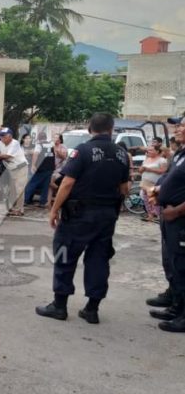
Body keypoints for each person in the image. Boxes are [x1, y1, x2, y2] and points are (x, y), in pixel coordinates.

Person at [36, 113, 130, 324]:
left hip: (79, 215)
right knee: (99, 259)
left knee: (65, 255)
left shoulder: (83, 151)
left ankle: (59, 306)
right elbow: (125, 187)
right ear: (111, 129)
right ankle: (92, 309)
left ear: (90, 129)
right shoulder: (122, 154)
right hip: (107, 216)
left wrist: (54, 210)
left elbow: (67, 183)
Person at [147, 115, 185, 332]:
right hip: (170, 214)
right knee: (172, 262)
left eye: (181, 125)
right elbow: (171, 178)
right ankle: (176, 303)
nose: (176, 129)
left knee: (182, 265)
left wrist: (178, 210)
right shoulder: (181, 153)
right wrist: (159, 191)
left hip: (179, 217)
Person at [0, 128, 28, 216]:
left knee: (19, 189)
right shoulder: (0, 143)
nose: (1, 138)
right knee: (12, 189)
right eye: (0, 136)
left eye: (3, 136)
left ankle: (19, 210)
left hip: (20, 168)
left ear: (10, 136)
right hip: (11, 168)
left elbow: (7, 156)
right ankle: (12, 208)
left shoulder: (15, 143)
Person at [25, 132, 55, 207]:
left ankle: (25, 200)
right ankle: (43, 202)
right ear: (45, 137)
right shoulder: (51, 144)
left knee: (32, 183)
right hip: (50, 168)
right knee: (46, 185)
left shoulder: (39, 145)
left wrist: (33, 165)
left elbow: (36, 154)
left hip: (41, 167)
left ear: (38, 138)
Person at [139, 145, 167, 222]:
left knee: (155, 199)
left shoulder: (162, 160)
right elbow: (140, 170)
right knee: (146, 199)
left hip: (155, 183)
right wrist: (141, 169)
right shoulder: (146, 160)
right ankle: (150, 215)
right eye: (148, 150)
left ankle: (158, 215)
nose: (149, 151)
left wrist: (149, 169)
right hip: (145, 182)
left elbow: (163, 171)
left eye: (151, 150)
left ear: (157, 151)